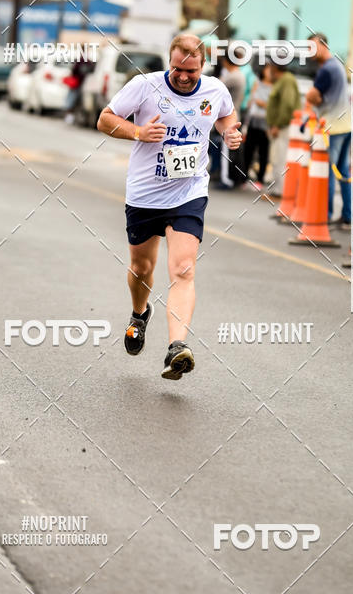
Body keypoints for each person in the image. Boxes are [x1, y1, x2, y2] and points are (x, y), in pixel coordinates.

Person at [97, 34, 242, 380]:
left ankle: (177, 347)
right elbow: (105, 119)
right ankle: (138, 314)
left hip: (188, 192)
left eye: (190, 70)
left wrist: (231, 133)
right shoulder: (144, 86)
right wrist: (137, 132)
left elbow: (226, 118)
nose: (182, 76)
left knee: (183, 269)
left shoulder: (215, 90)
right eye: (177, 68)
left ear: (201, 66)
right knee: (141, 267)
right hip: (145, 194)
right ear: (170, 61)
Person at [306, 33, 352, 229]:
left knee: (327, 171)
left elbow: (311, 95)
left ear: (324, 46)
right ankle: (348, 215)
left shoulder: (327, 69)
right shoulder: (337, 65)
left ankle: (325, 214)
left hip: (332, 127)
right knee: (341, 170)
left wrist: (316, 100)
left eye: (313, 47)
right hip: (345, 125)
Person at [265, 60, 300, 197]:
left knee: (280, 159)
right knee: (276, 158)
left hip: (283, 127)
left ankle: (280, 192)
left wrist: (277, 125)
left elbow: (287, 104)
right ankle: (276, 190)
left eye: (269, 67)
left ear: (274, 67)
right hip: (279, 126)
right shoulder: (281, 81)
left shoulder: (287, 80)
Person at [218, 46, 247, 189]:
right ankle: (234, 179)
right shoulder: (237, 74)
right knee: (234, 150)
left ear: (226, 61)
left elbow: (216, 87)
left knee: (227, 150)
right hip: (234, 114)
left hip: (229, 117)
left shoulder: (233, 76)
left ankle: (226, 180)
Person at [243, 65, 271, 188]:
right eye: (267, 70)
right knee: (248, 150)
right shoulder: (257, 83)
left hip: (265, 122)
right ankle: (243, 178)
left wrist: (261, 103)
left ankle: (260, 179)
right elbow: (252, 99)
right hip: (253, 120)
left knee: (263, 152)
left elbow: (270, 105)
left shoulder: (274, 86)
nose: (270, 72)